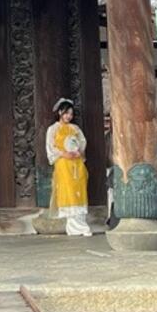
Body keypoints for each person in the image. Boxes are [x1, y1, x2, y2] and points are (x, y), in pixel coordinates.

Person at [44, 97, 92, 237]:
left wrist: (78, 152)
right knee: (68, 190)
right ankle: (76, 227)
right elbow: (50, 146)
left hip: (76, 162)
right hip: (63, 163)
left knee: (79, 189)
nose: (68, 116)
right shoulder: (53, 129)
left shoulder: (75, 128)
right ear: (59, 112)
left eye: (71, 114)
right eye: (66, 113)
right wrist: (63, 153)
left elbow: (82, 142)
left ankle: (81, 223)